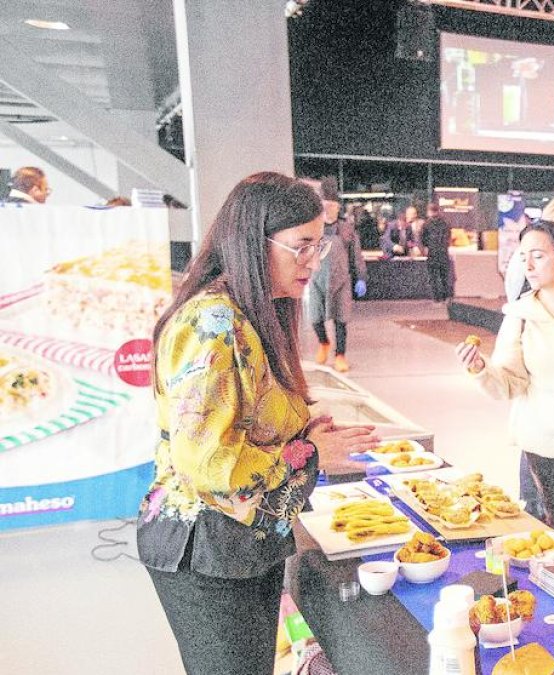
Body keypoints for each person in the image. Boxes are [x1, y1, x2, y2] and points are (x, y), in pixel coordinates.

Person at [137, 172, 379, 675]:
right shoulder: (211, 323)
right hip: (204, 548)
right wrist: (309, 456)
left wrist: (301, 435)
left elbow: (245, 423)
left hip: (243, 541)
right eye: (301, 247)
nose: (314, 262)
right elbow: (208, 462)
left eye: (320, 244)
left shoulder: (253, 312)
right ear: (253, 241)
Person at [456, 220, 554, 542]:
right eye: (522, 255)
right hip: (545, 438)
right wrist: (480, 368)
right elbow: (508, 382)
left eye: (538, 255)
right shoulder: (521, 313)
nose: (527, 265)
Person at [305, 177, 367, 373]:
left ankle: (340, 355)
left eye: (332, 206)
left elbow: (356, 256)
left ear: (337, 207)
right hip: (316, 280)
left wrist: (361, 278)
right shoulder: (312, 228)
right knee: (315, 317)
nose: (328, 209)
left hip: (342, 281)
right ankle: (324, 342)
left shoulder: (347, 229)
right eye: (324, 206)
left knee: (341, 320)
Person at [422, 201, 454, 302]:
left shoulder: (426, 224)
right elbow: (448, 237)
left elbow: (423, 239)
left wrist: (427, 246)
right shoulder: (446, 223)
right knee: (444, 276)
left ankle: (436, 299)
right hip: (443, 253)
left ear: (429, 211)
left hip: (432, 253)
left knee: (433, 277)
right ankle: (445, 297)